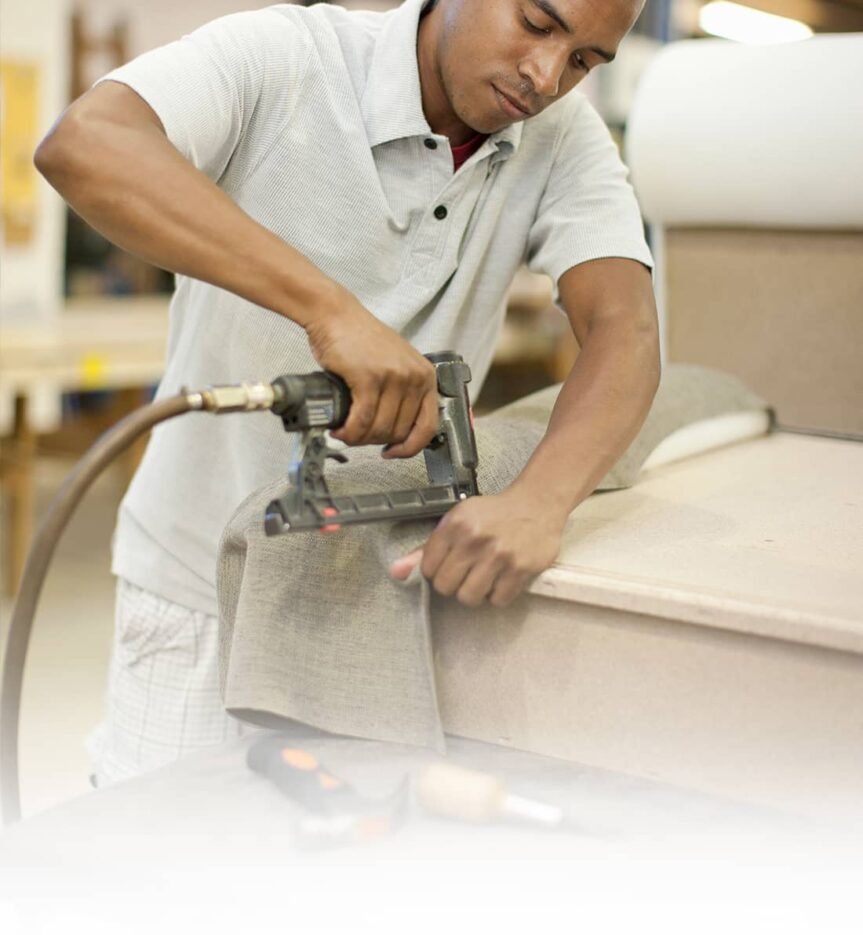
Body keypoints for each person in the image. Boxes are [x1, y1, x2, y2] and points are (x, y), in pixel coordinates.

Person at [35, 0, 659, 783]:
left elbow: (625, 332)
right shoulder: (285, 56)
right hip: (198, 589)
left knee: (340, 841)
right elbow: (87, 143)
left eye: (584, 62)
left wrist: (540, 502)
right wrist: (329, 312)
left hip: (383, 592)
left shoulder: (562, 138)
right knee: (165, 844)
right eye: (536, 24)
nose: (545, 76)